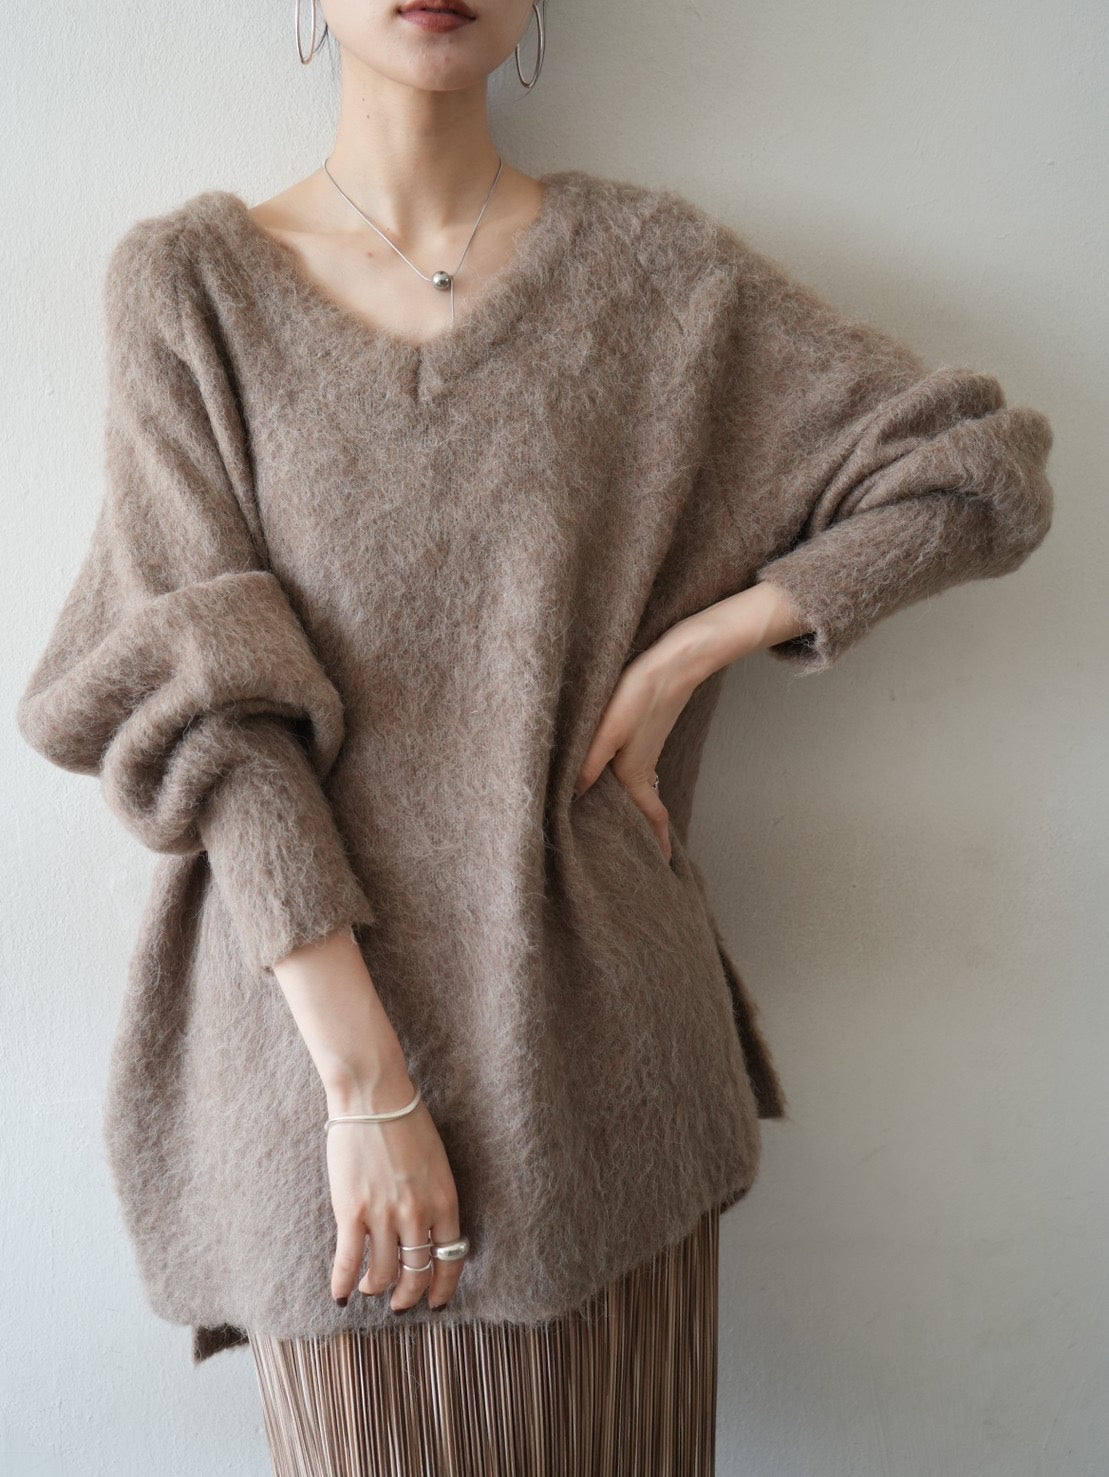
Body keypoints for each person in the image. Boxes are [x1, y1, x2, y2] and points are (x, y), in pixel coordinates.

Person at [15, 0, 1055, 1471]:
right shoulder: (190, 288)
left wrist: (700, 645)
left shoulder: (654, 274)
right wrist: (368, 1091)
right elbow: (213, 710)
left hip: (604, 1088)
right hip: (312, 1097)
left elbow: (977, 474)